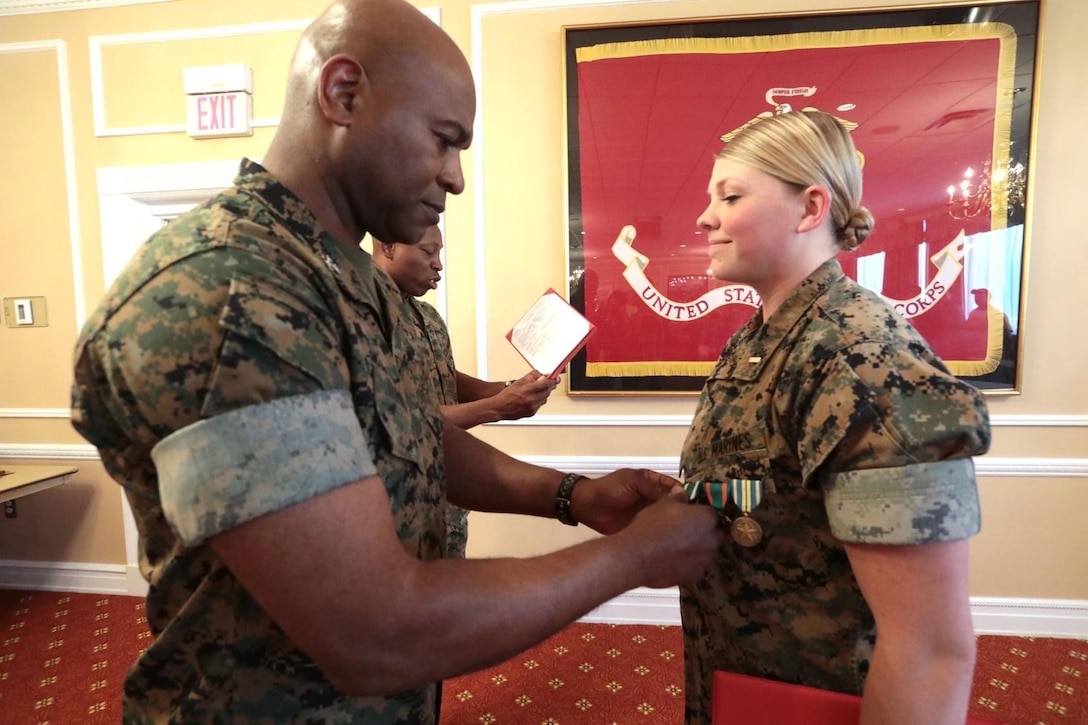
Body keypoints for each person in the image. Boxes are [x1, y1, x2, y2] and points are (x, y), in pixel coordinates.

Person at [68, 0, 725, 722]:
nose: (455, 178)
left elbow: (413, 439)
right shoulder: (232, 287)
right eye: (444, 140)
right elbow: (374, 632)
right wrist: (632, 559)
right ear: (343, 94)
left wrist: (570, 495)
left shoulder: (343, 277)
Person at [679, 109, 991, 724]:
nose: (705, 216)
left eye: (731, 195)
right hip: (745, 680)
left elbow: (930, 650)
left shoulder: (858, 357)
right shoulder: (762, 338)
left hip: (824, 695)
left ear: (809, 208)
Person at [372, 224, 558, 558]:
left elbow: (440, 376)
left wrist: (508, 389)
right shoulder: (365, 317)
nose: (439, 263)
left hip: (447, 500)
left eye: (439, 253)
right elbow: (402, 420)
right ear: (388, 246)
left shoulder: (425, 316)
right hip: (396, 508)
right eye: (428, 252)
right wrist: (497, 408)